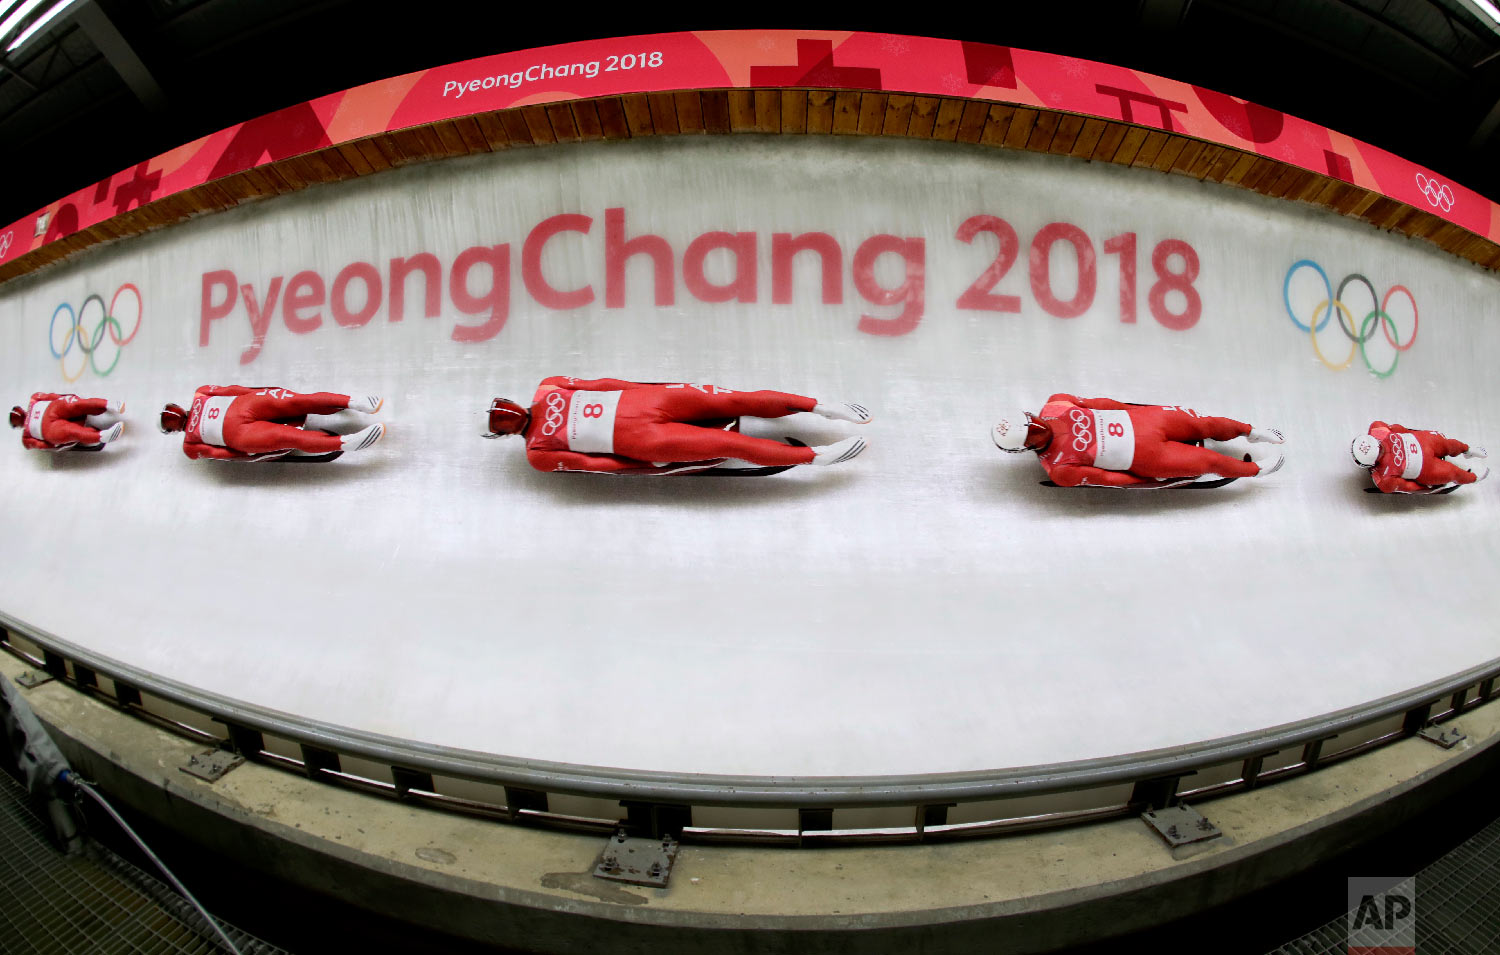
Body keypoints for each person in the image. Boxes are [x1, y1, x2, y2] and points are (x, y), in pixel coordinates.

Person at [484, 377, 871, 473]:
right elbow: (595, 463)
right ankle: (815, 452)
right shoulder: (538, 446)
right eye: (507, 417)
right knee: (731, 432)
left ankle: (822, 411)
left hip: (646, 414)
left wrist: (645, 467)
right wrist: (646, 466)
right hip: (646, 424)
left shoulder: (546, 395)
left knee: (733, 404)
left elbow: (599, 384)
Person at [992, 393, 1284, 487]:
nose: (1038, 426)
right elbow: (1108, 478)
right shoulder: (1059, 469)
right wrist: (1147, 482)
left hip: (1146, 422)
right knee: (1208, 461)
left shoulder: (1057, 403)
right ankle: (1256, 470)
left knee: (1203, 424)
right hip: (1147, 457)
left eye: (1031, 419)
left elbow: (1101, 403)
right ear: (1026, 446)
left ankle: (1251, 431)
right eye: (1032, 432)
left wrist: (1138, 411)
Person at [159, 386, 384, 461]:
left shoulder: (200, 394)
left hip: (244, 412)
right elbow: (217, 453)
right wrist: (250, 455)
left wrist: (248, 455)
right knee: (291, 434)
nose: (176, 417)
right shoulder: (189, 444)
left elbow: (232, 389)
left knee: (298, 403)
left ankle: (356, 404)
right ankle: (347, 441)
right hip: (242, 425)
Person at [1351, 422, 1487, 494]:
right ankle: (1473, 478)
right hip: (1425, 468)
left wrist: (1412, 433)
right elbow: (1407, 487)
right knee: (1453, 473)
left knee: (1449, 444)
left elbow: (1400, 428)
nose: (1382, 449)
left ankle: (1468, 450)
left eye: (1379, 445)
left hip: (1424, 442)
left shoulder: (1377, 428)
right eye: (1379, 452)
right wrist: (1425, 489)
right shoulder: (1384, 479)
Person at [10, 393, 124, 450]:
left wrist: (56, 444)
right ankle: (103, 435)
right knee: (76, 408)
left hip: (50, 421)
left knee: (73, 428)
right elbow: (55, 396)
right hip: (51, 417)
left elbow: (43, 445)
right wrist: (69, 397)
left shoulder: (25, 437)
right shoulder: (34, 399)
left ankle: (109, 407)